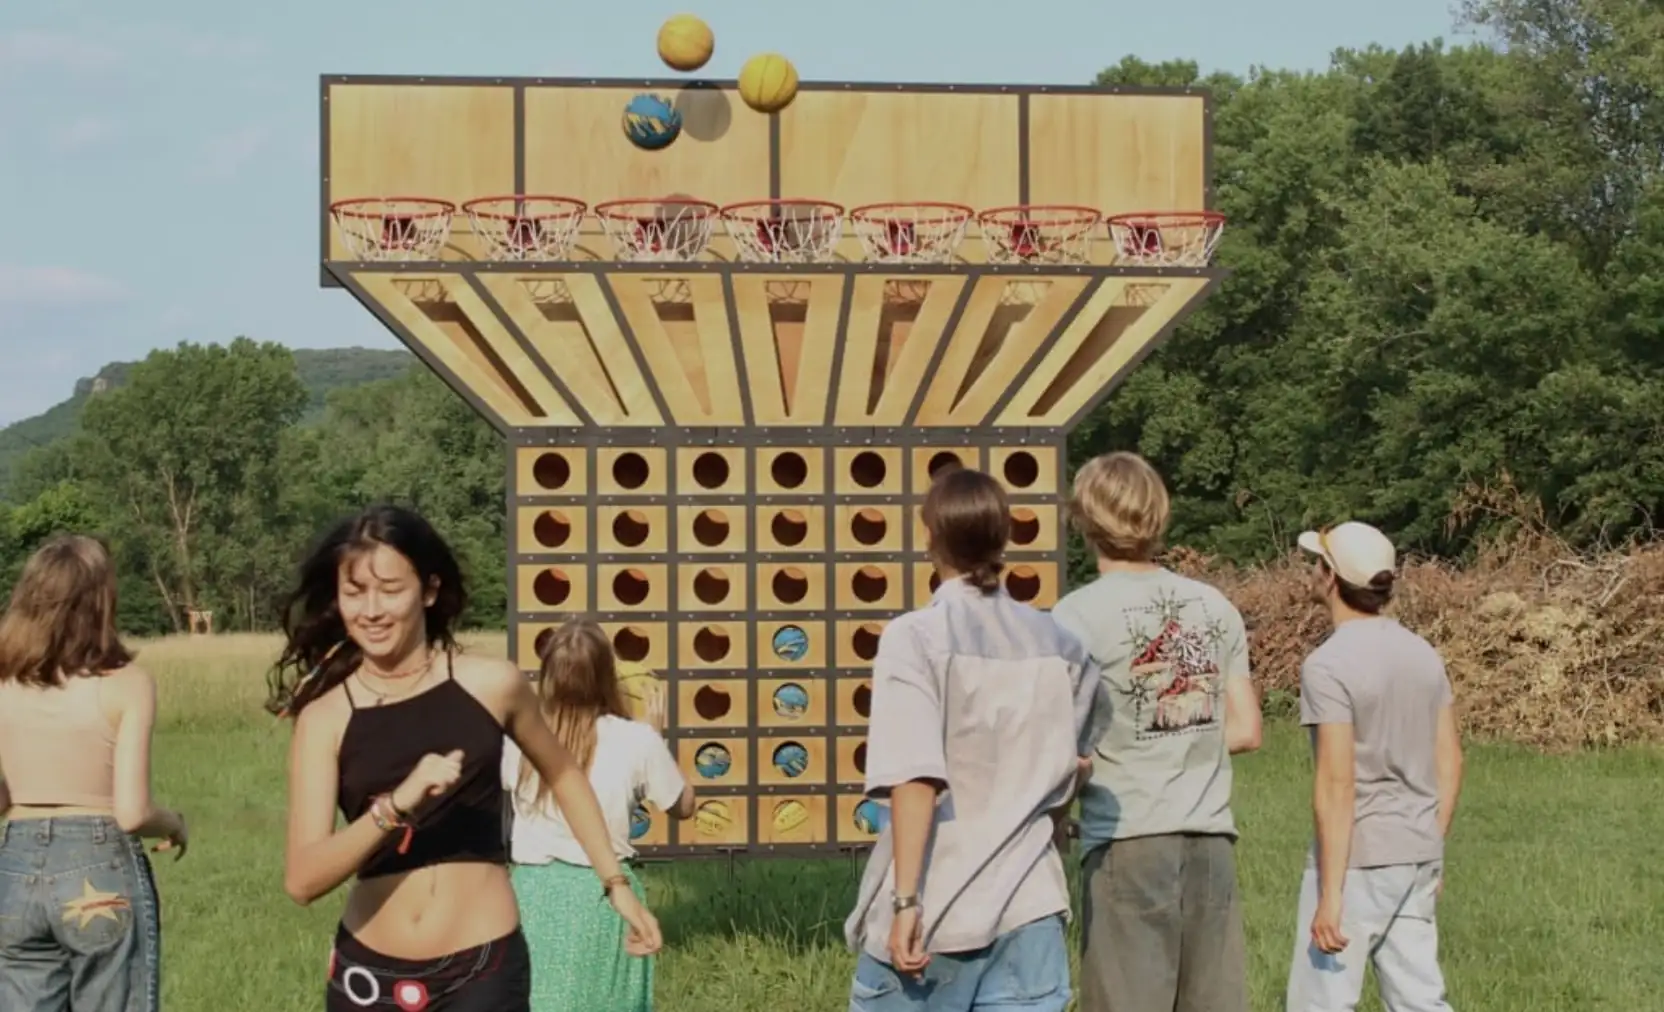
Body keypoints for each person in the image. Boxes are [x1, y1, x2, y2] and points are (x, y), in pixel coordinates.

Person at [269, 505, 663, 1012]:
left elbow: (564, 773)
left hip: (483, 970)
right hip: (369, 979)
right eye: (354, 592)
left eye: (390, 590)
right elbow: (302, 880)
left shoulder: (491, 684)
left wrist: (614, 884)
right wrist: (394, 807)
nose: (371, 610)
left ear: (429, 591)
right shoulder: (324, 718)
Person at [844, 467, 1109, 1012]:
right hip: (1029, 905)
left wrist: (906, 902)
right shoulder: (1060, 642)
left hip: (939, 904)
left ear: (930, 537)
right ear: (1003, 538)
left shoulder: (913, 638)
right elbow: (1076, 763)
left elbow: (915, 777)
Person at [1049, 452, 1262, 1012]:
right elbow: (1245, 729)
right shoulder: (1214, 606)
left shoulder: (1074, 618)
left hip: (1128, 837)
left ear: (1085, 519)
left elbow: (1061, 746)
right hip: (1211, 838)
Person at [0, 534, 188, 1012]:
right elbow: (131, 812)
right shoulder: (127, 684)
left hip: (14, 865)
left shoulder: (4, 681)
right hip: (97, 865)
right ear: (103, 601)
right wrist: (174, 822)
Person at [1286, 522, 1464, 1012]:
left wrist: (1331, 893)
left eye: (1317, 563)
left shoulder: (1327, 666)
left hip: (1359, 859)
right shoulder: (1424, 654)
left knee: (1321, 1002)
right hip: (1417, 851)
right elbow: (1450, 759)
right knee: (1420, 1000)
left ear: (1330, 578)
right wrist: (1432, 841)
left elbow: (1338, 782)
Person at [502, 618, 695, 1012]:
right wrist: (657, 741)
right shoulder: (636, 739)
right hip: (606, 894)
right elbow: (684, 806)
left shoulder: (517, 739)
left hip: (529, 894)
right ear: (608, 676)